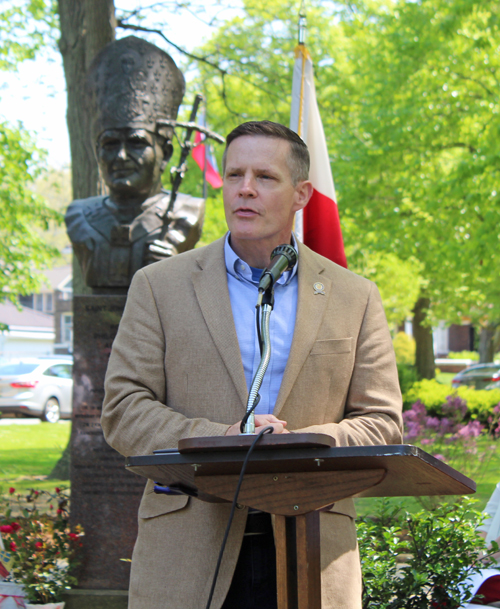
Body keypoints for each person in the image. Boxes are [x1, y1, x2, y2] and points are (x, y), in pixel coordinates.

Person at [101, 120, 403, 609]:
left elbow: (382, 421)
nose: (244, 189)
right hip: (190, 545)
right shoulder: (159, 286)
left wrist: (304, 445)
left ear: (302, 193)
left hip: (312, 546)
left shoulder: (355, 297)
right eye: (234, 174)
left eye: (264, 177)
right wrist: (223, 437)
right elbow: (124, 409)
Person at [65, 36, 204, 294]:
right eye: (109, 144)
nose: (120, 156)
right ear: (97, 153)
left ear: (166, 153)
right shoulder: (78, 217)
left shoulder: (187, 214)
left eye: (136, 143)